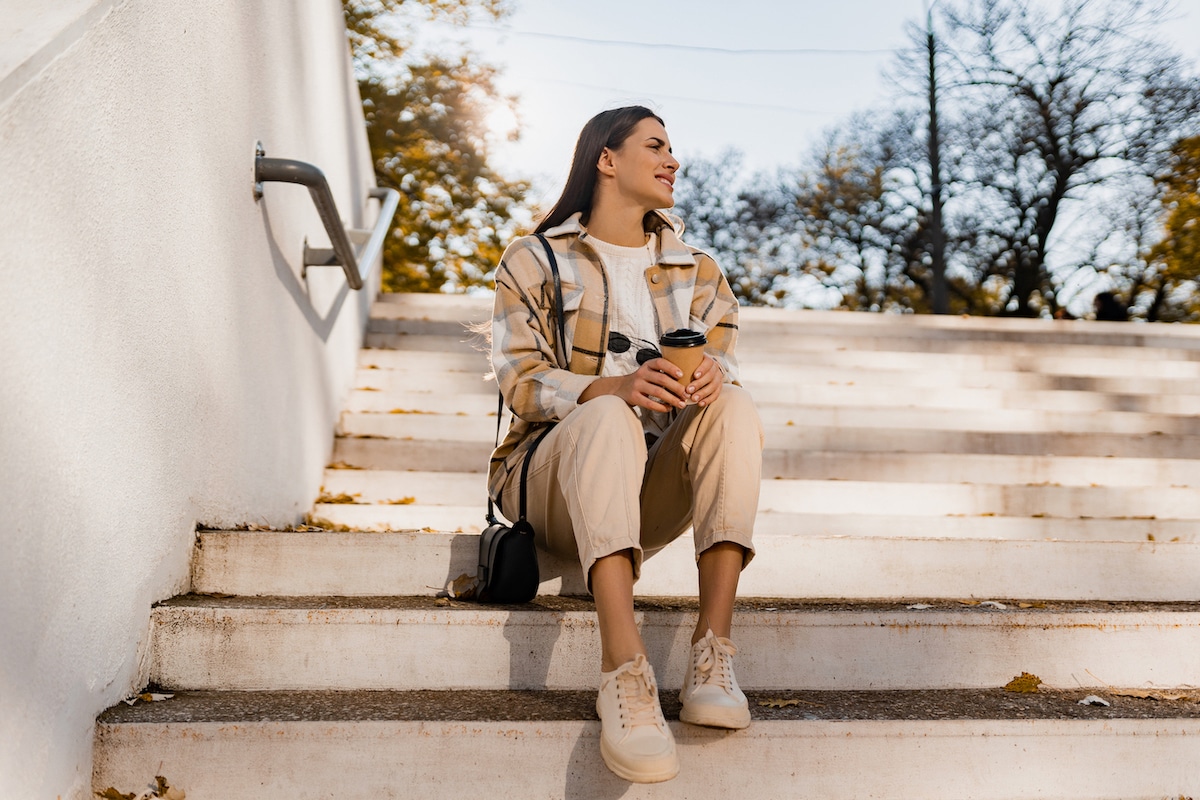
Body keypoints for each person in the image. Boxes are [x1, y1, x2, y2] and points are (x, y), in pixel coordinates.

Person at [488, 106, 763, 783]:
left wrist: (708, 381)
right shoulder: (535, 258)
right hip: (551, 479)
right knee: (611, 417)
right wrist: (614, 388)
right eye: (656, 146)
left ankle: (713, 655)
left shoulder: (697, 271)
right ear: (605, 159)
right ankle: (624, 670)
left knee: (732, 403)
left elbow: (722, 355)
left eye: (673, 150)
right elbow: (520, 383)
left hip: (647, 491)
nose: (674, 161)